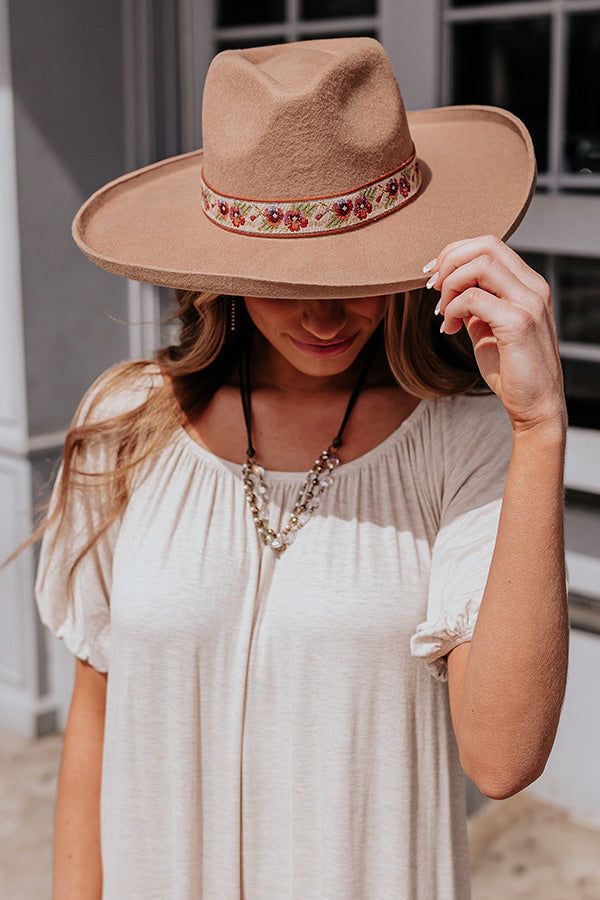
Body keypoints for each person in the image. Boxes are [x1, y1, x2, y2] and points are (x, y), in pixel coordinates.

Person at [3, 36, 570, 900]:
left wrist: (541, 425)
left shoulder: (468, 441)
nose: (325, 312)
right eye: (281, 273)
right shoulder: (126, 425)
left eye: (358, 268)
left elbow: (500, 759)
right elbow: (96, 724)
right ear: (219, 270)